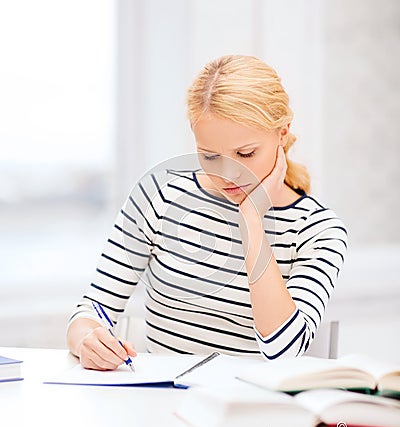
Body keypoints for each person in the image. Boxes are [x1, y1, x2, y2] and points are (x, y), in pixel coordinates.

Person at [67, 55, 347, 370]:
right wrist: (87, 340)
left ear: (282, 134)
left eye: (246, 153)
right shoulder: (160, 197)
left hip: (258, 413)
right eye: (210, 156)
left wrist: (252, 220)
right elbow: (92, 310)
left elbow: (283, 349)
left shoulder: (319, 230)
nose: (228, 174)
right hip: (164, 406)